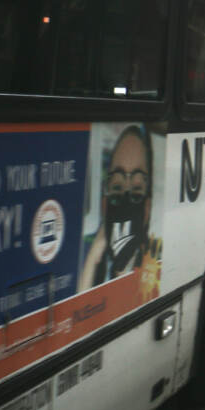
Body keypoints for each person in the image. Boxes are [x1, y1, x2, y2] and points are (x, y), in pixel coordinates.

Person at [79, 125, 157, 292]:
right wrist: (95, 253)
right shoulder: (88, 253)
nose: (126, 197)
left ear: (148, 207)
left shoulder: (152, 265)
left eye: (136, 190)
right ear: (104, 204)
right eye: (117, 187)